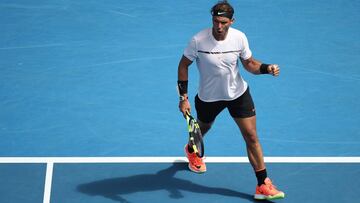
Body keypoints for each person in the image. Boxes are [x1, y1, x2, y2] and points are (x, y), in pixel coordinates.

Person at [176, 0, 285, 200]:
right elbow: (183, 65)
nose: (218, 26)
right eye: (215, 21)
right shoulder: (198, 40)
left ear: (231, 21)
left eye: (223, 22)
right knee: (202, 128)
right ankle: (192, 149)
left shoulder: (239, 38)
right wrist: (183, 98)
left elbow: (250, 64)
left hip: (237, 94)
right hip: (209, 97)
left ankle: (263, 184)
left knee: (251, 137)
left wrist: (266, 68)